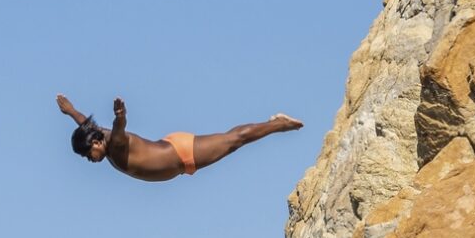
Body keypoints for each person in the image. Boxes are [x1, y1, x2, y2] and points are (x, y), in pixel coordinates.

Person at [56, 95, 301, 183]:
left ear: (96, 143)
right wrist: (71, 110)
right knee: (231, 140)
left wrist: (120, 115)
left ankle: (279, 124)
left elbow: (119, 128)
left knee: (233, 141)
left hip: (180, 153)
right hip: (175, 155)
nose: (89, 159)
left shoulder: (115, 144)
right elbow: (87, 125)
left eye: (88, 154)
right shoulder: (101, 139)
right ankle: (275, 123)